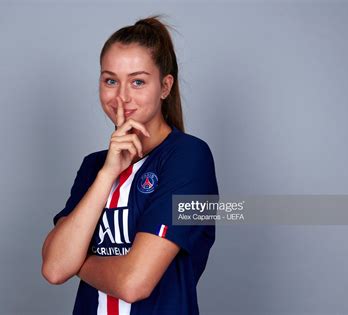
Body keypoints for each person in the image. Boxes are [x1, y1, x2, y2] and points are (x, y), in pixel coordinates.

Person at [41, 15, 219, 315]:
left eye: (138, 81)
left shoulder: (190, 158)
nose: (122, 96)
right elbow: (55, 268)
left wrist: (79, 262)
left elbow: (134, 283)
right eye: (111, 80)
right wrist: (108, 174)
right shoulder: (94, 166)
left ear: (165, 86)